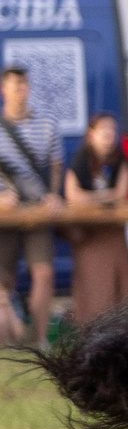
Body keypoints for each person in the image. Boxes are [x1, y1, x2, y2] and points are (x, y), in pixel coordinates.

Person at [64, 111, 128, 324]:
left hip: (114, 234)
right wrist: (104, 199)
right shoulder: (81, 158)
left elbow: (121, 192)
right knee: (92, 289)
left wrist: (91, 199)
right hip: (89, 236)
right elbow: (72, 195)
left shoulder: (121, 159)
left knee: (118, 288)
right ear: (91, 134)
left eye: (112, 129)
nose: (109, 133)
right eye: (103, 129)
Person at [0, 65, 61, 346]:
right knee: (4, 280)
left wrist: (53, 194)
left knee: (44, 273)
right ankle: (10, 337)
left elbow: (56, 166)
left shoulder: (47, 124)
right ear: (4, 90)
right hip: (5, 215)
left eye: (24, 85)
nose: (20, 91)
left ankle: (37, 338)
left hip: (37, 211)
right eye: (15, 86)